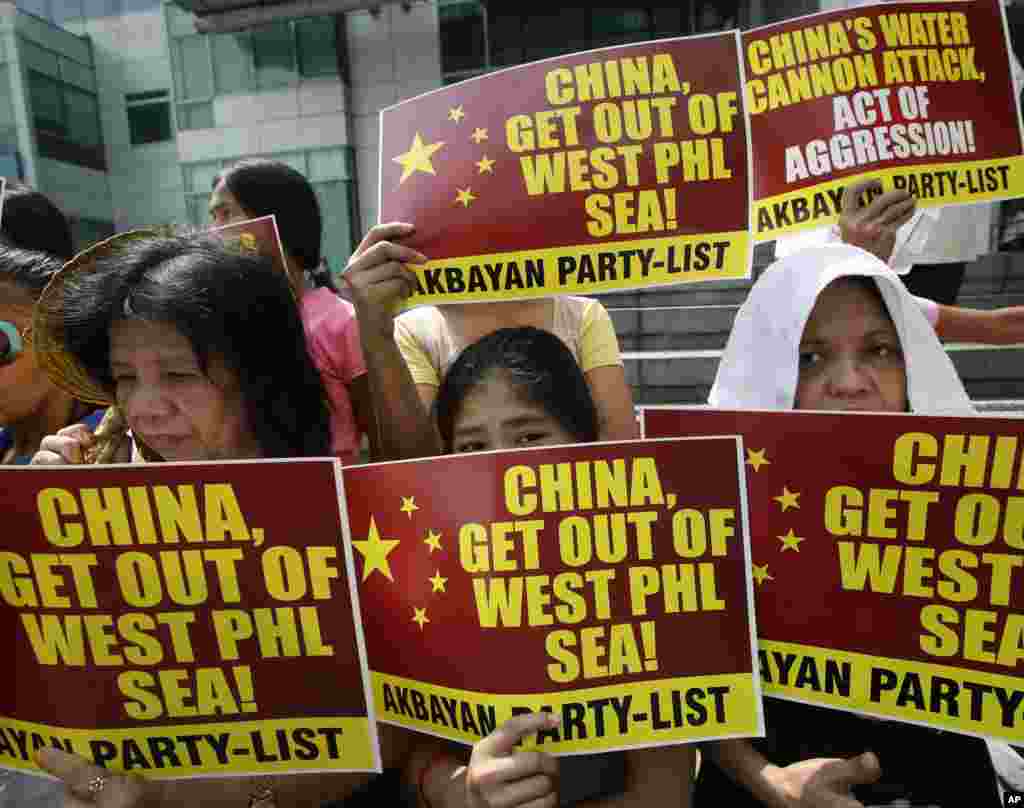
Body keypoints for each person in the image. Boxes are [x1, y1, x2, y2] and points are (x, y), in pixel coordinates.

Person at [695, 243, 1006, 807]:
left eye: (880, 350)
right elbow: (692, 698)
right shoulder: (710, 511)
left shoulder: (986, 506)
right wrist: (773, 784)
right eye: (809, 358)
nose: (850, 382)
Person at [411, 326, 693, 808]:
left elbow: (664, 790)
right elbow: (412, 754)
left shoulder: (645, 581)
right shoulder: (430, 580)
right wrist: (461, 793)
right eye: (473, 447)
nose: (502, 468)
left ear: (583, 443)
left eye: (528, 438)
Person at [210, 160, 436, 463]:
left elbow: (393, 450)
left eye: (227, 213)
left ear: (277, 220)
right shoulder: (214, 325)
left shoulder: (344, 323)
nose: (214, 231)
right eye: (213, 217)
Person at [374, 224, 639, 442]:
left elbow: (617, 442)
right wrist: (373, 326)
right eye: (475, 446)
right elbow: (411, 462)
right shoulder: (414, 331)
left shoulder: (582, 315)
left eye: (530, 438)